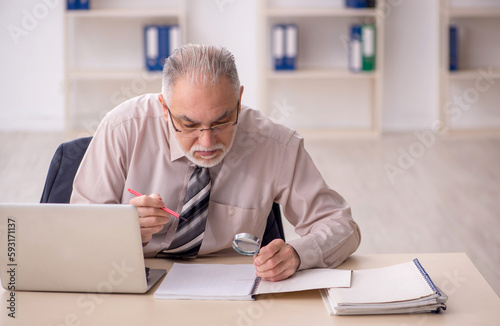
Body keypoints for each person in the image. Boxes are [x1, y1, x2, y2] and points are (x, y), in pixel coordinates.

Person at [71, 44, 361, 282]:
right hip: (130, 277)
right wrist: (118, 229)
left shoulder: (275, 144)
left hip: (233, 291)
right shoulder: (122, 127)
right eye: (189, 124)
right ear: (164, 108)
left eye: (221, 122)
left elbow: (341, 225)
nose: (207, 143)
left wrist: (298, 254)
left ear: (238, 102)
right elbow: (76, 231)